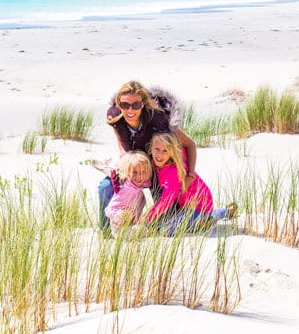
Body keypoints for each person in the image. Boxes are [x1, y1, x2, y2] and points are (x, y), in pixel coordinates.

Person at [96, 81, 198, 229]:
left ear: (143, 104)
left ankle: (209, 216)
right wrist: (125, 163)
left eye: (136, 105)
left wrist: (191, 173)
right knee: (105, 188)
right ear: (118, 104)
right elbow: (121, 143)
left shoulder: (160, 121)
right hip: (133, 167)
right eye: (125, 105)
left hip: (158, 170)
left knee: (165, 219)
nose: (130, 110)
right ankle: (106, 234)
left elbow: (190, 145)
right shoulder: (116, 118)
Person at [143, 132, 234, 234]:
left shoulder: (173, 172)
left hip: (198, 206)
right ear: (151, 148)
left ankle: (203, 222)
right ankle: (225, 212)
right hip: (196, 204)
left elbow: (166, 201)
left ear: (171, 153)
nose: (159, 154)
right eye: (157, 149)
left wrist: (146, 219)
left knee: (165, 230)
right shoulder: (158, 164)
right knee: (201, 213)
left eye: (165, 151)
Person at [104, 151, 153, 232]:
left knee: (145, 229)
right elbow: (108, 210)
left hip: (134, 224)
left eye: (143, 172)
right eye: (135, 172)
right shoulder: (125, 190)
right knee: (142, 231)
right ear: (127, 172)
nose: (139, 176)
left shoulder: (145, 186)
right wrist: (118, 214)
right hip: (120, 228)